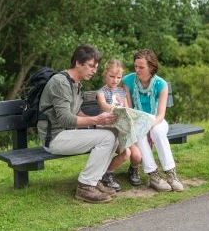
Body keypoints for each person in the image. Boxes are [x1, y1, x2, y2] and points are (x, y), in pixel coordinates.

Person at [37, 44, 119, 203]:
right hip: (54, 138)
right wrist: (96, 120)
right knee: (107, 138)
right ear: (78, 63)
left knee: (113, 134)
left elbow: (76, 113)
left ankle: (94, 181)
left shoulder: (76, 84)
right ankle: (85, 187)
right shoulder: (60, 82)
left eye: (96, 67)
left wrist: (99, 123)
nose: (94, 70)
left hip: (67, 133)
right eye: (91, 66)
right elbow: (66, 119)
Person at [122, 49, 184, 192]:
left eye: (141, 67)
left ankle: (171, 174)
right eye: (135, 66)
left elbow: (161, 115)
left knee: (156, 131)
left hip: (157, 121)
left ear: (151, 67)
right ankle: (153, 176)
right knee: (140, 132)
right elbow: (130, 110)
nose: (137, 70)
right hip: (137, 121)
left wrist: (150, 124)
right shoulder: (128, 81)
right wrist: (142, 125)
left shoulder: (161, 84)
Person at [97, 60, 142, 191]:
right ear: (105, 75)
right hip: (109, 130)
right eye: (111, 76)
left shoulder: (123, 91)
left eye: (118, 77)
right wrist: (115, 109)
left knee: (137, 156)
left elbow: (128, 110)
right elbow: (103, 105)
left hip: (123, 130)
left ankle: (133, 170)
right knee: (126, 153)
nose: (115, 80)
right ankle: (107, 174)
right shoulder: (102, 92)